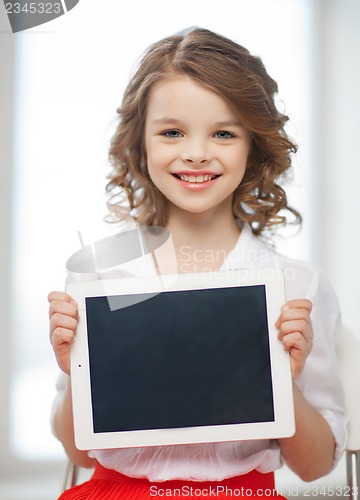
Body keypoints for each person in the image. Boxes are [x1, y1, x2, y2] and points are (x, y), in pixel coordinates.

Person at [48, 27, 347, 499]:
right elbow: (82, 453)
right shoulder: (100, 275)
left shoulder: (300, 286)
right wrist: (75, 369)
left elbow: (313, 469)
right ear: (140, 144)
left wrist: (279, 381)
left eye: (224, 133)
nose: (196, 153)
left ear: (253, 147)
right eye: (172, 132)